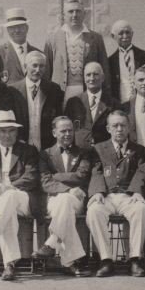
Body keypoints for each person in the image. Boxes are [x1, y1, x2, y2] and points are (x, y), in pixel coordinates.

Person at [0, 110, 41, 281]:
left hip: (23, 198)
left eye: (11, 130)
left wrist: (8, 186)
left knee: (10, 196)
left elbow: (32, 176)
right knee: (7, 208)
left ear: (17, 132)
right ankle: (9, 265)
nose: (7, 135)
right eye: (3, 131)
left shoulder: (28, 151)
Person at [86, 111, 145, 277]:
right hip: (106, 195)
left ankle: (135, 259)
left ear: (129, 127)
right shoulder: (98, 149)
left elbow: (142, 172)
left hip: (128, 196)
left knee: (141, 210)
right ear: (108, 128)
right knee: (94, 211)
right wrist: (97, 191)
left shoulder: (140, 150)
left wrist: (137, 191)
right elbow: (96, 171)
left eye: (123, 125)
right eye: (115, 126)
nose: (119, 129)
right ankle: (106, 260)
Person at [33, 116, 95, 277]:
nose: (67, 134)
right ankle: (70, 261)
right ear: (54, 133)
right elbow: (45, 182)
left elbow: (82, 176)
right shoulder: (45, 154)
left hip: (78, 199)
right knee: (64, 202)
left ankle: (53, 243)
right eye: (63, 131)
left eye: (70, 130)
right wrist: (68, 189)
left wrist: (56, 176)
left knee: (66, 202)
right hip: (55, 198)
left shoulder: (83, 153)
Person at [44, 0, 110, 101]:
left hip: (88, 92)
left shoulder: (96, 38)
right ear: (63, 15)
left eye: (78, 11)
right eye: (70, 11)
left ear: (84, 14)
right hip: (60, 93)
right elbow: (46, 72)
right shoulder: (53, 39)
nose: (74, 15)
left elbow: (104, 69)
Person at [8, 51, 64, 151]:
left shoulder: (54, 89)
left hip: (47, 148)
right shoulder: (13, 91)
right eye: (34, 65)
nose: (38, 70)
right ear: (25, 66)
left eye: (41, 66)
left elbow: (58, 119)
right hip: (21, 147)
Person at [64, 61, 118, 149]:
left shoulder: (113, 103)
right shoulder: (73, 102)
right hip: (79, 152)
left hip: (104, 152)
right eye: (88, 75)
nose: (92, 78)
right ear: (84, 78)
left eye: (95, 74)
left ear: (103, 77)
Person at [107, 19, 145, 104]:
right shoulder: (109, 62)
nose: (125, 36)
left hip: (144, 104)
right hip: (120, 105)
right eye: (121, 33)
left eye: (127, 32)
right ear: (113, 36)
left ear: (132, 34)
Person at [0, 8, 41, 85]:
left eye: (20, 26)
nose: (17, 30)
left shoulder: (37, 54)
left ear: (27, 28)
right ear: (7, 30)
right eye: (12, 27)